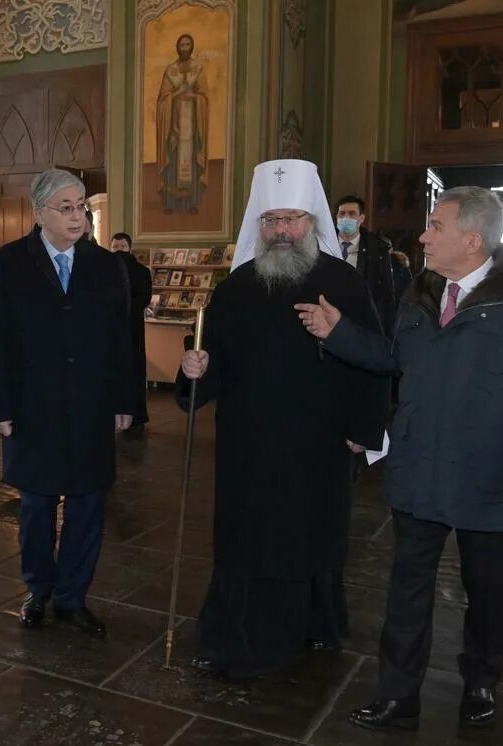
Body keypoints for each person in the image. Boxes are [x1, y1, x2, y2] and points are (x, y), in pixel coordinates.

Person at [296, 186, 503, 730]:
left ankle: (482, 680)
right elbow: (393, 360)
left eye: (436, 227)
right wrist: (339, 333)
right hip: (420, 468)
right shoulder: (420, 292)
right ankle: (398, 696)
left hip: (495, 479)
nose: (422, 236)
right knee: (406, 591)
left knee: (490, 594)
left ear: (472, 240)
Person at [179, 160, 389, 677]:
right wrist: (195, 369)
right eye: (271, 220)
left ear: (311, 221)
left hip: (318, 440)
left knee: (310, 533)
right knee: (246, 535)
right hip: (247, 441)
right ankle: (240, 633)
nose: (281, 231)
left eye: (291, 219)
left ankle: (313, 623)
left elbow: (374, 359)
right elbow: (212, 361)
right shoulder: (236, 287)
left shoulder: (342, 282)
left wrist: (363, 430)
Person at [0, 169, 134, 639]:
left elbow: (124, 339)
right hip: (33, 408)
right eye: (65, 208)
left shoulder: (107, 266)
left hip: (91, 406)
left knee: (88, 505)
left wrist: (126, 399)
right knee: (36, 506)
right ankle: (39, 590)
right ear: (39, 213)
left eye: (80, 206)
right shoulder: (9, 263)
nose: (77, 216)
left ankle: (72, 598)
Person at [156, 33, 209, 214]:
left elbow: (204, 97)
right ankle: (171, 203)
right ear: (177, 48)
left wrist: (194, 97)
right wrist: (176, 94)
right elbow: (163, 99)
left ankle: (191, 203)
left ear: (191, 47)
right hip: (174, 126)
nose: (185, 48)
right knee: (173, 163)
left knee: (190, 163)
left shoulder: (198, 69)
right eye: (182, 45)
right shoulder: (171, 71)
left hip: (192, 127)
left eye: (187, 45)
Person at [335, 195, 403, 334]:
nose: (346, 218)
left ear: (362, 218)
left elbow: (387, 295)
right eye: (342, 214)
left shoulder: (377, 250)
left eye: (352, 214)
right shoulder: (323, 245)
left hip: (361, 322)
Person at [111, 231, 153, 432]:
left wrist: (123, 306)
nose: (119, 251)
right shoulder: (105, 270)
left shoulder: (142, 272)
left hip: (133, 328)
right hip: (111, 329)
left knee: (135, 369)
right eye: (115, 248)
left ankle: (136, 415)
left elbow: (144, 298)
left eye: (122, 247)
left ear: (130, 248)